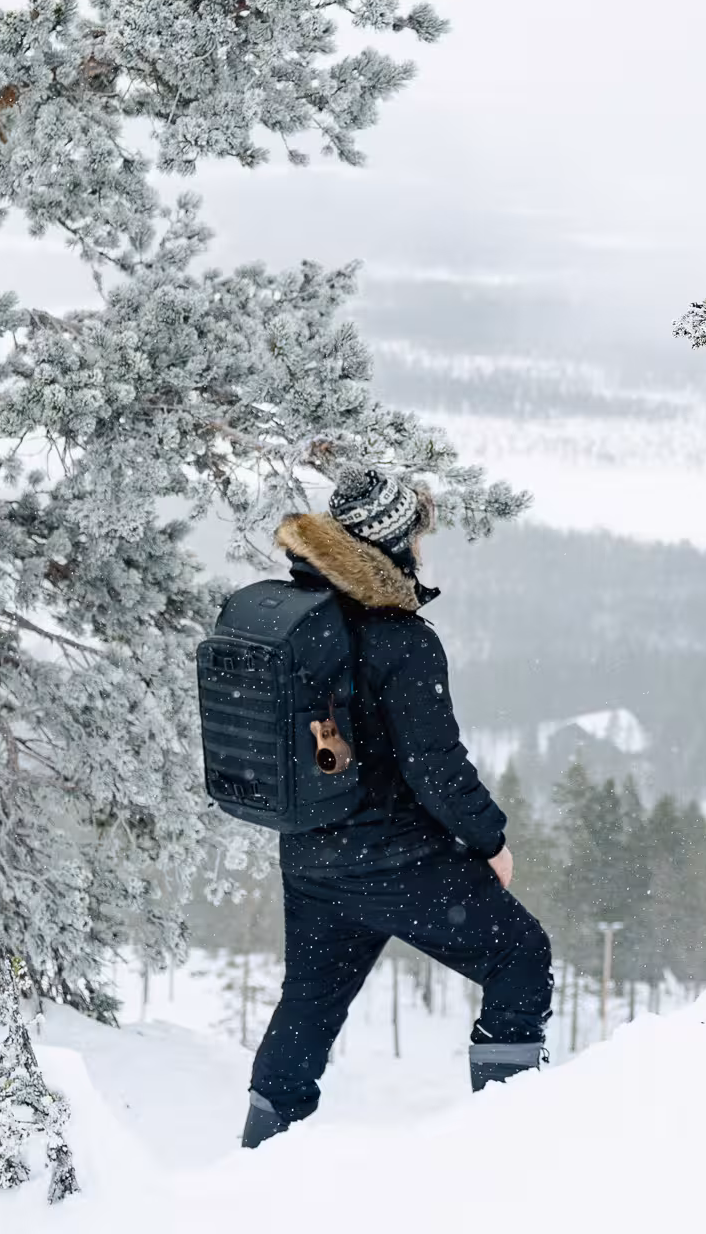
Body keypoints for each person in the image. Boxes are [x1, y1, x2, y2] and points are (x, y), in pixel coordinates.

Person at [241, 466, 553, 1149]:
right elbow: (436, 771)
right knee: (522, 955)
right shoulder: (402, 641)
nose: (422, 550)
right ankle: (510, 1134)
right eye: (415, 535)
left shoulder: (301, 620)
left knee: (309, 1005)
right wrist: (492, 843)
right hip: (395, 860)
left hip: (311, 858)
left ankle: (259, 1152)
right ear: (390, 544)